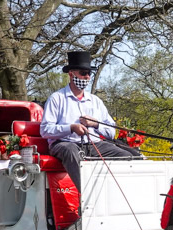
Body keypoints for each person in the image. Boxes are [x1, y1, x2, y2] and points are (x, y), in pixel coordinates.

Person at [41, 51, 134, 192]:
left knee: (127, 156)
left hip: (93, 145)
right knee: (71, 151)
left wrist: (96, 124)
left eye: (89, 73)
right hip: (64, 143)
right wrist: (71, 128)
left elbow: (111, 132)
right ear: (71, 74)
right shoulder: (56, 98)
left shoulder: (95, 101)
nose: (87, 77)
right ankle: (87, 196)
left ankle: (115, 192)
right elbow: (45, 130)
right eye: (83, 73)